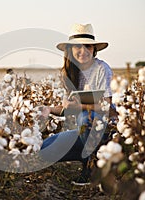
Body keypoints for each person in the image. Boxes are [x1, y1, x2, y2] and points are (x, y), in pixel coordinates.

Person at [39, 23, 114, 185]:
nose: (83, 51)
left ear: (94, 50)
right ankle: (96, 156)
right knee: (44, 150)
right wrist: (49, 109)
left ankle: (91, 169)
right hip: (85, 131)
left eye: (88, 46)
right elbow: (68, 109)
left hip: (106, 130)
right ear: (70, 50)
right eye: (77, 46)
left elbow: (107, 107)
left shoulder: (102, 69)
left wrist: (79, 108)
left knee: (84, 118)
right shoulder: (71, 72)